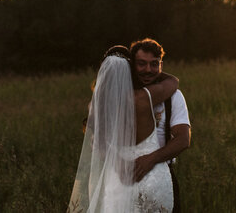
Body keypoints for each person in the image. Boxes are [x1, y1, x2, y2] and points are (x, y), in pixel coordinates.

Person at [68, 50, 178, 212]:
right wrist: (152, 70)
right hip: (152, 178)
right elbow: (173, 81)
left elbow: (98, 144)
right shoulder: (143, 98)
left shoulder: (97, 107)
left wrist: (119, 163)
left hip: (119, 181)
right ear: (131, 72)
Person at [129, 39, 191, 213]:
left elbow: (183, 139)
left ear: (161, 65)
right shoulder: (122, 95)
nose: (148, 70)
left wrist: (152, 159)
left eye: (154, 64)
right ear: (132, 65)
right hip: (125, 178)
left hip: (163, 177)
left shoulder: (174, 96)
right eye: (141, 64)